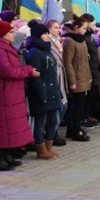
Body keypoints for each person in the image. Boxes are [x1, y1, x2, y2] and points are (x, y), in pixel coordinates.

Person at [0, 20, 41, 170]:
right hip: (3, 92)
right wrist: (28, 71)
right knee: (3, 125)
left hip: (11, 92)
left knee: (10, 126)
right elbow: (7, 71)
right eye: (10, 32)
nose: (13, 34)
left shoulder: (6, 48)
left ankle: (7, 155)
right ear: (2, 34)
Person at [25, 21, 62, 160]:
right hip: (42, 92)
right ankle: (40, 148)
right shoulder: (34, 52)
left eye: (47, 33)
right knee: (41, 121)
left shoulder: (46, 49)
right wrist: (42, 93)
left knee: (54, 120)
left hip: (52, 91)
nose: (47, 36)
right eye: (44, 34)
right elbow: (36, 75)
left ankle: (48, 146)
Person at [63, 18, 93, 141]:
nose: (85, 31)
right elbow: (68, 62)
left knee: (81, 105)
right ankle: (75, 129)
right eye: (84, 28)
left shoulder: (82, 41)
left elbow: (86, 60)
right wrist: (72, 81)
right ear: (76, 27)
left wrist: (89, 76)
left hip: (84, 76)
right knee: (75, 106)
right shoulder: (69, 41)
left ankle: (75, 127)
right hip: (76, 78)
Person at [46, 19, 69, 146]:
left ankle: (53, 131)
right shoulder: (49, 42)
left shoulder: (58, 41)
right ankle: (52, 133)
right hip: (55, 75)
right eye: (55, 27)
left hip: (61, 73)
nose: (58, 30)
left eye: (58, 27)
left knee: (64, 105)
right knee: (60, 105)